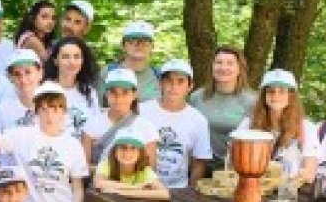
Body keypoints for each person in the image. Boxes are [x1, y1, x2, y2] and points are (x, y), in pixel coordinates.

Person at [139, 59, 213, 189]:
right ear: (160, 83)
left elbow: (199, 161)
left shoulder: (198, 120)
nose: (174, 87)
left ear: (190, 86)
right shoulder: (142, 111)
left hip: (178, 190)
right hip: (141, 187)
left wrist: (190, 192)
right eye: (169, 80)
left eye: (180, 81)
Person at [235, 69, 317, 185]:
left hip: (287, 191)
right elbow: (234, 160)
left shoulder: (306, 127)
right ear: (264, 96)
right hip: (252, 188)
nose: (275, 96)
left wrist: (299, 176)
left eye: (282, 91)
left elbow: (310, 173)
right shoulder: (248, 124)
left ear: (291, 96)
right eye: (270, 91)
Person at [188, 46, 258, 167]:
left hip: (233, 169)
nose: (223, 67)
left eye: (230, 63)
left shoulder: (252, 101)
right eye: (219, 62)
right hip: (198, 166)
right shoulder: (197, 97)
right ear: (212, 67)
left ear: (239, 69)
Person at [86, 67, 159, 167]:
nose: (119, 98)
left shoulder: (146, 127)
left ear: (134, 94)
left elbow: (151, 168)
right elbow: (83, 168)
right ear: (106, 94)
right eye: (113, 92)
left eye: (125, 92)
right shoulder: (91, 124)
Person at [46, 36, 101, 154]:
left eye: (77, 56)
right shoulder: (44, 91)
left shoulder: (89, 92)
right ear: (55, 60)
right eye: (65, 57)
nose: (71, 62)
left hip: (82, 157)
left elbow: (96, 131)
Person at [92, 131, 169, 199]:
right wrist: (135, 187)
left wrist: (121, 192)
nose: (127, 152)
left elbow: (164, 193)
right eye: (123, 147)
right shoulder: (106, 165)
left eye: (133, 148)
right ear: (115, 151)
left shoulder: (144, 170)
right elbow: (99, 183)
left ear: (140, 153)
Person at [114, 20, 161, 102]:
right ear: (123, 45)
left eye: (145, 41)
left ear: (152, 46)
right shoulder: (107, 73)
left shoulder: (160, 76)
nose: (139, 45)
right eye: (132, 40)